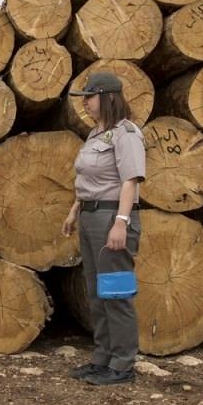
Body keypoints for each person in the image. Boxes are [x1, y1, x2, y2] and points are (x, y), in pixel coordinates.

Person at [61, 71, 146, 386]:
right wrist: (74, 211)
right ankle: (102, 359)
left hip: (112, 218)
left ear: (108, 97)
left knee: (116, 292)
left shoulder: (127, 133)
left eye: (89, 96)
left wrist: (121, 223)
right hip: (90, 216)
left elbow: (130, 181)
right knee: (97, 293)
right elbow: (87, 180)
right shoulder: (97, 134)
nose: (85, 103)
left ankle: (122, 365)